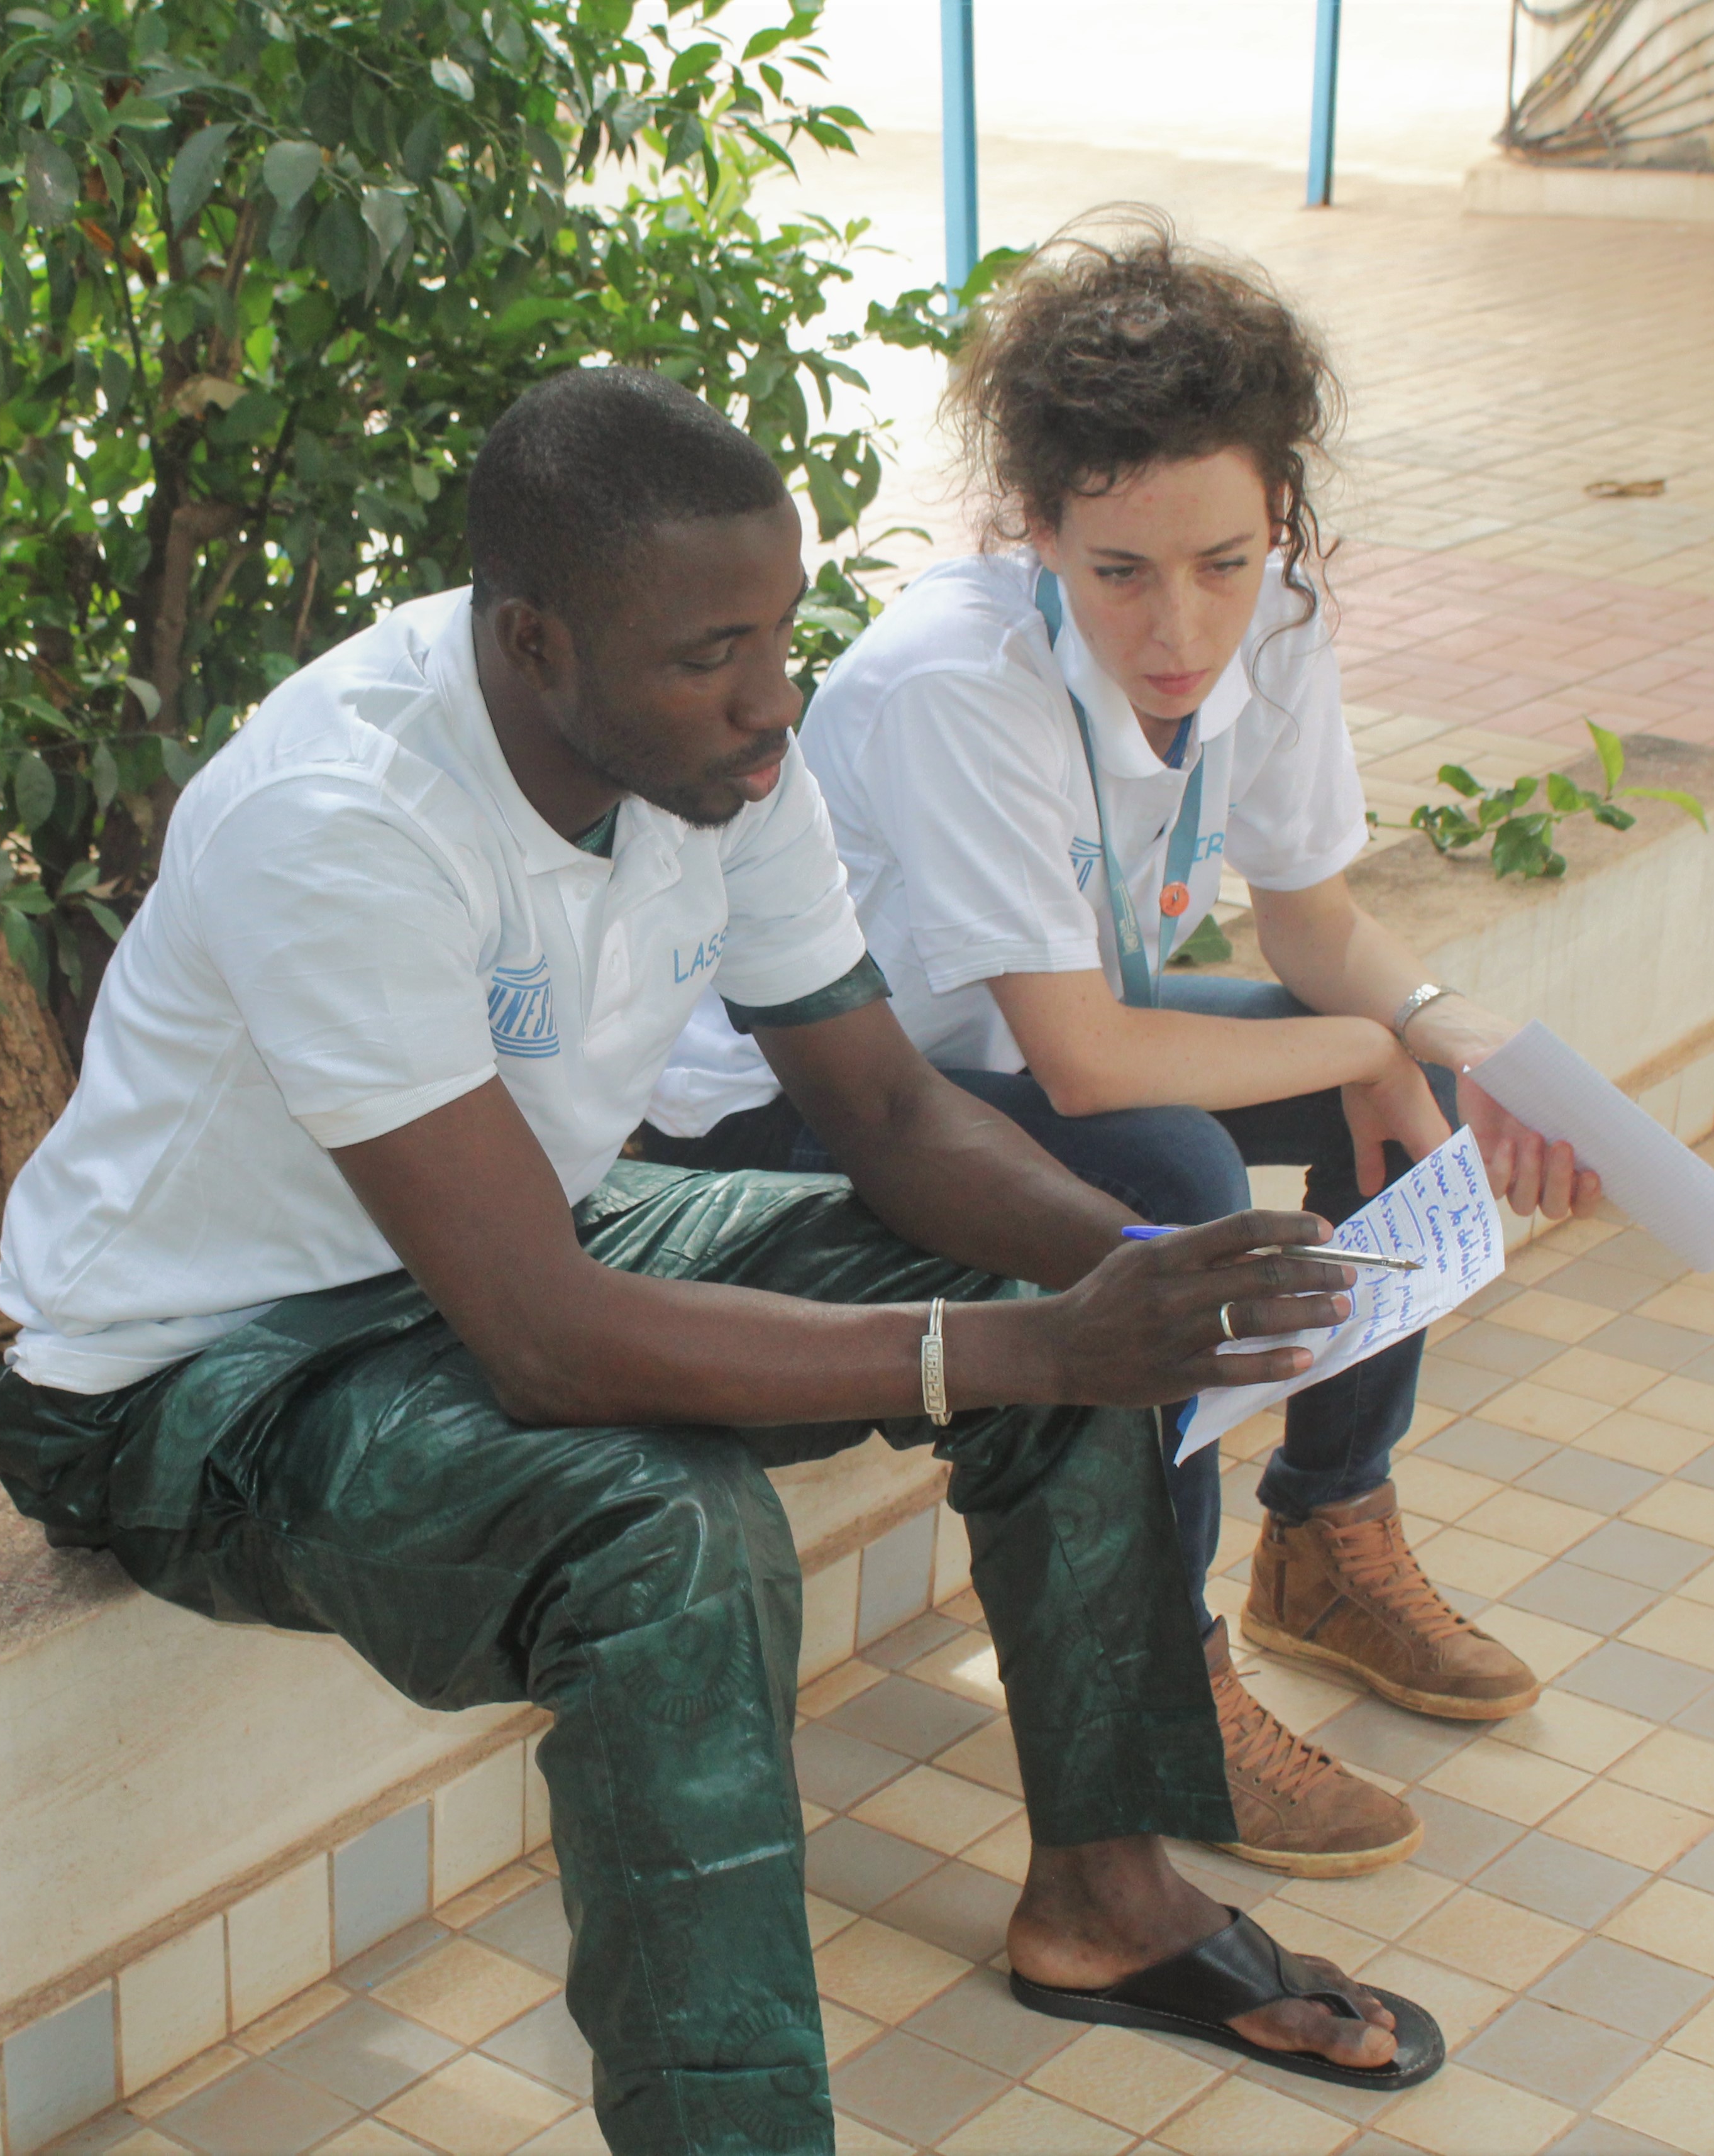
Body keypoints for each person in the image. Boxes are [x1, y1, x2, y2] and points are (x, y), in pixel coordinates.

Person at [0, 369, 1445, 2156]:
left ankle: (1109, 1900)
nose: (773, 703)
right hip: (201, 1376)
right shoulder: (346, 822)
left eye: (778, 633)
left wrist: (1155, 1268)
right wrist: (1046, 1348)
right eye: (710, 658)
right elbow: (542, 1340)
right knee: (675, 1543)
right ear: (534, 643)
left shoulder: (713, 753)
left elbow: (890, 1115)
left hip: (518, 1234)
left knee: (1044, 1303)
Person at [644, 215, 1603, 1882]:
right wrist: (1369, 1033)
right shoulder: (957, 683)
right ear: (1036, 528)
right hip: (790, 1111)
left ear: (1279, 516)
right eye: (1121, 574)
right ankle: (1173, 1681)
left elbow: (1314, 926)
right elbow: (1086, 1063)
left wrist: (1440, 1032)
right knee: (1169, 1169)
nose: (1181, 627)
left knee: (1406, 1085)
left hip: (997, 1064)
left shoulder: (1275, 622)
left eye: (1224, 561)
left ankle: (1326, 1539)